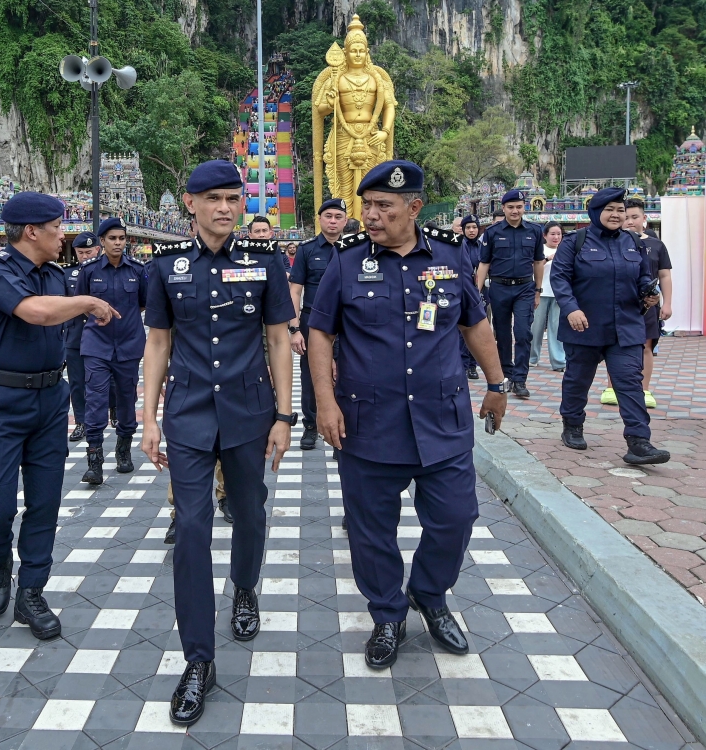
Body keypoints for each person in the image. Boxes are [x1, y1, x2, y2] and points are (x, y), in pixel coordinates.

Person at [308, 160, 507, 670]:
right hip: (369, 423)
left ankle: (430, 593)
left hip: (441, 422)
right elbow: (320, 333)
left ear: (414, 208)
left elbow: (474, 324)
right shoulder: (347, 262)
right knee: (371, 529)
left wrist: (497, 383)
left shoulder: (449, 254)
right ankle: (388, 613)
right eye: (366, 206)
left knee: (456, 517)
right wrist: (325, 403)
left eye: (383, 207)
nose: (370, 216)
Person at [141, 160, 295, 726]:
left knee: (250, 513)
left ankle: (246, 587)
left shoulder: (265, 262)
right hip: (186, 414)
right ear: (191, 203)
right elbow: (158, 342)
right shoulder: (165, 267)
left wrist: (284, 414)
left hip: (250, 412)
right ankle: (198, 662)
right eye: (213, 199)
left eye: (234, 198)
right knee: (190, 532)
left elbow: (279, 339)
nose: (225, 208)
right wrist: (148, 416)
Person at [0, 192, 119, 639]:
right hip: (0, 402)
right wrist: (88, 302)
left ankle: (31, 591)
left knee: (45, 501)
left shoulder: (55, 275)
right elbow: (33, 313)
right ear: (31, 231)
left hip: (50, 400)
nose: (63, 235)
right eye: (57, 227)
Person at [550, 187, 670, 465]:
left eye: (620, 210)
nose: (616, 215)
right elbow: (560, 279)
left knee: (629, 382)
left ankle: (639, 442)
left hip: (625, 327)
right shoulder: (574, 242)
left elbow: (642, 276)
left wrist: (650, 293)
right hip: (585, 326)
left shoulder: (633, 242)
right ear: (596, 212)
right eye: (610, 210)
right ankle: (572, 424)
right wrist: (571, 309)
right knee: (578, 381)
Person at [75, 217, 147, 484]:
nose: (118, 243)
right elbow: (80, 303)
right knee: (95, 398)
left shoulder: (138, 270)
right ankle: (94, 460)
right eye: (112, 239)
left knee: (127, 398)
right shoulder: (89, 270)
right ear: (102, 241)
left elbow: (143, 303)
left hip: (129, 345)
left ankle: (123, 450)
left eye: (121, 238)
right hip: (96, 344)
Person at [601, 199, 672, 408]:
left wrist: (667, 303)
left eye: (635, 217)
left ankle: (645, 389)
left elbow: (665, 275)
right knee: (614, 345)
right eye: (627, 216)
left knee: (646, 346)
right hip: (619, 302)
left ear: (644, 219)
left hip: (648, 304)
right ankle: (611, 387)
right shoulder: (612, 242)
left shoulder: (656, 245)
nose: (630, 221)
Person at [288, 197, 348, 449]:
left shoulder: (356, 248)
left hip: (348, 324)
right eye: (328, 216)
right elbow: (295, 290)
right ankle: (311, 426)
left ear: (345, 220)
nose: (333, 221)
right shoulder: (307, 249)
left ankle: (343, 428)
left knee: (348, 375)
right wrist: (294, 328)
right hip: (313, 322)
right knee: (311, 376)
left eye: (338, 217)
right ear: (320, 219)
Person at [477, 190, 545, 398]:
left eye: (519, 206)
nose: (515, 211)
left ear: (524, 207)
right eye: (511, 207)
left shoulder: (534, 230)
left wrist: (538, 291)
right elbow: (484, 263)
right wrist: (476, 293)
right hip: (500, 288)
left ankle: (520, 379)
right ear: (504, 208)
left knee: (524, 333)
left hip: (525, 288)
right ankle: (506, 374)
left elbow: (538, 261)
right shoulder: (493, 232)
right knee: (503, 335)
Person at [65, 232, 101, 441]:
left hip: (102, 335)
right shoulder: (67, 274)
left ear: (98, 249)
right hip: (75, 335)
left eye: (89, 252)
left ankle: (112, 413)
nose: (85, 256)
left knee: (105, 380)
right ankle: (81, 421)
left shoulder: (108, 272)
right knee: (77, 382)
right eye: (81, 253)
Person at [529, 222, 566, 372]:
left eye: (559, 234)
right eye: (552, 234)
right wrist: (548, 258)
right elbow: (531, 267)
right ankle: (531, 358)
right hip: (540, 293)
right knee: (535, 327)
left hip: (558, 294)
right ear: (544, 235)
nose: (556, 237)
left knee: (556, 329)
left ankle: (558, 361)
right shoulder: (539, 249)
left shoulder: (565, 250)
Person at [458, 215, 483, 379]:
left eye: (474, 227)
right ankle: (462, 364)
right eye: (468, 228)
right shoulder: (458, 245)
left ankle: (473, 365)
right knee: (462, 330)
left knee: (478, 328)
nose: (471, 230)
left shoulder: (483, 246)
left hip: (481, 291)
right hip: (463, 290)